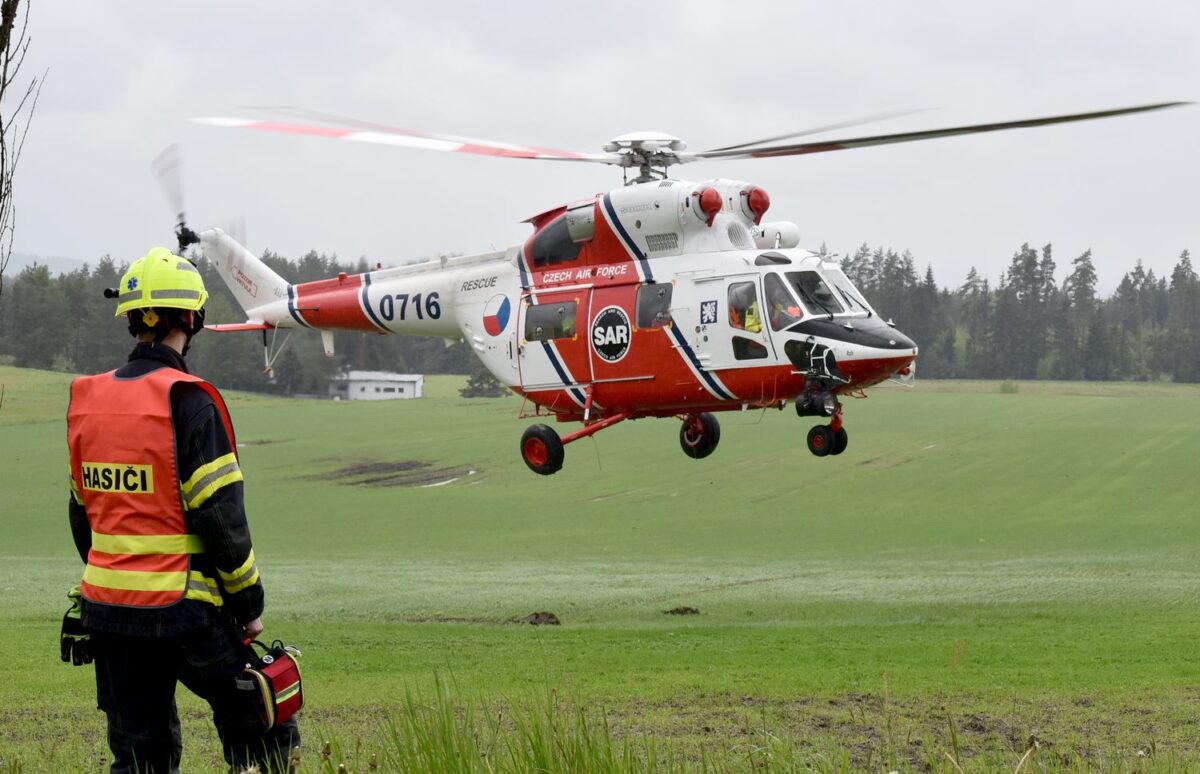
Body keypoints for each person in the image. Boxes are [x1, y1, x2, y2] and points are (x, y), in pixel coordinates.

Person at [64, 247, 299, 773]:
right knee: (264, 721)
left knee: (139, 755)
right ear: (192, 318)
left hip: (108, 611)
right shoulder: (189, 399)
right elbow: (220, 519)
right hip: (185, 611)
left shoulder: (86, 399)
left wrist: (116, 575)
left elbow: (84, 516)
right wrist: (248, 604)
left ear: (130, 319)